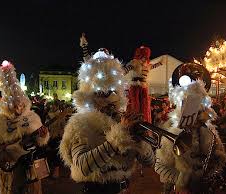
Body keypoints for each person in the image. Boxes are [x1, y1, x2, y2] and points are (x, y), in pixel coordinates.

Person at [59, 49, 155, 194]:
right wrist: (117, 139)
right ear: (90, 96)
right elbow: (81, 166)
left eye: (113, 92)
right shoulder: (79, 123)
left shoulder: (121, 120)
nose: (110, 99)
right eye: (102, 93)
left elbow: (150, 162)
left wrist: (140, 142)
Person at [154, 63, 226, 194]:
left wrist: (212, 170)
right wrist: (179, 182)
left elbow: (219, 157)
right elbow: (159, 166)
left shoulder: (209, 129)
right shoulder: (169, 126)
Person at [0, 60, 49, 194]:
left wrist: (42, 136)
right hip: (8, 171)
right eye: (14, 104)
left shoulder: (32, 117)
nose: (18, 107)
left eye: (20, 104)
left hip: (30, 170)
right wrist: (3, 152)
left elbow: (40, 143)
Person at [123, 46, 152, 123]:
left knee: (144, 106)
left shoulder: (147, 65)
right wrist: (122, 72)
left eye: (146, 57)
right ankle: (133, 122)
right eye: (143, 56)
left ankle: (144, 122)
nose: (145, 58)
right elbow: (127, 69)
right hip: (135, 87)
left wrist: (161, 63)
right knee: (134, 105)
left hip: (143, 88)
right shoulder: (135, 63)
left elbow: (153, 66)